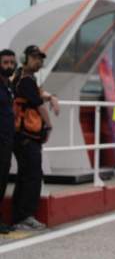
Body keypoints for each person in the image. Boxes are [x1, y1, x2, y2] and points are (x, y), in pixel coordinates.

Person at [11, 45, 58, 231]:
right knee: (32, 176)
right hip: (26, 135)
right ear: (25, 59)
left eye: (40, 58)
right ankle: (25, 216)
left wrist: (52, 96)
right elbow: (39, 105)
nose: (38, 61)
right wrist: (49, 125)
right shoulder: (25, 80)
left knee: (25, 175)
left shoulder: (22, 77)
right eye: (34, 58)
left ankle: (19, 216)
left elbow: (39, 94)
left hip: (21, 135)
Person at [0, 49, 16, 234]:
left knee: (3, 180)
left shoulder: (9, 86)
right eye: (5, 62)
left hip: (7, 140)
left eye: (11, 62)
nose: (9, 66)